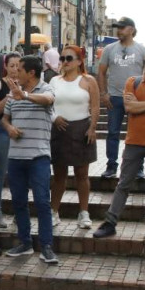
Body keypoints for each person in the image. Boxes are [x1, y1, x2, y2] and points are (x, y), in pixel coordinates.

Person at [93, 47, 145, 241]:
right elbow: (130, 107)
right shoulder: (133, 81)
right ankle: (110, 222)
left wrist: (142, 106)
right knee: (123, 184)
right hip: (134, 142)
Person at [2, 55, 58, 263]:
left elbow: (48, 101)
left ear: (31, 73)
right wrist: (9, 128)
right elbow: (5, 119)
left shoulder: (46, 88)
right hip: (16, 157)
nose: (15, 72)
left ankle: (47, 246)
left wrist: (23, 95)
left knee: (43, 202)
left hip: (38, 157)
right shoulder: (12, 93)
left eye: (20, 69)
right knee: (18, 202)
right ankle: (25, 243)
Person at [49, 45, 100, 229]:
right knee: (59, 175)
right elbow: (49, 104)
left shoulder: (88, 80)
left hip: (81, 128)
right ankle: (54, 211)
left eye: (69, 58)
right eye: (62, 58)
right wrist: (54, 118)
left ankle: (84, 212)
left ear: (79, 61)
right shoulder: (54, 80)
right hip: (60, 129)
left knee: (82, 174)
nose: (64, 62)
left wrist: (92, 128)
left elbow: (95, 106)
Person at [97, 17, 145, 179]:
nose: (119, 30)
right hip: (115, 97)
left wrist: (144, 96)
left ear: (131, 29)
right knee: (112, 132)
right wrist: (104, 94)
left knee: (138, 133)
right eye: (117, 28)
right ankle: (111, 165)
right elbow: (101, 72)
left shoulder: (142, 50)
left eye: (122, 27)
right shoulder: (109, 49)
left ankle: (138, 167)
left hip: (136, 99)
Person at [0, 53, 21, 229]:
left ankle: (19, 213)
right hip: (1, 131)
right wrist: (10, 95)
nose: (15, 70)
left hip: (20, 131)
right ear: (6, 67)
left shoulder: (26, 85)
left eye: (18, 66)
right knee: (0, 173)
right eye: (12, 66)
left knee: (19, 173)